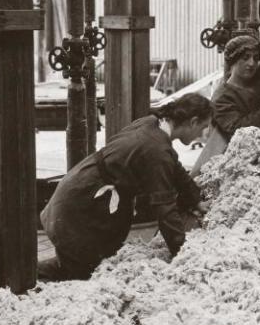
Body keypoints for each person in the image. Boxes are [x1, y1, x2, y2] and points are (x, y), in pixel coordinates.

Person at [38, 93, 212, 281]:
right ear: (193, 122)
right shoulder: (156, 149)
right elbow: (165, 209)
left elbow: (174, 167)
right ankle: (20, 278)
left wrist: (195, 200)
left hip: (80, 188)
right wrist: (185, 255)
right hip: (81, 203)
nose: (202, 134)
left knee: (82, 266)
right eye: (203, 127)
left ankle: (26, 274)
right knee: (81, 273)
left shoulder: (153, 124)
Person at [190, 34, 260, 176]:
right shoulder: (222, 97)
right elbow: (238, 130)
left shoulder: (258, 80)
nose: (252, 63)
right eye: (245, 58)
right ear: (233, 61)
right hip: (234, 163)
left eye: (255, 58)